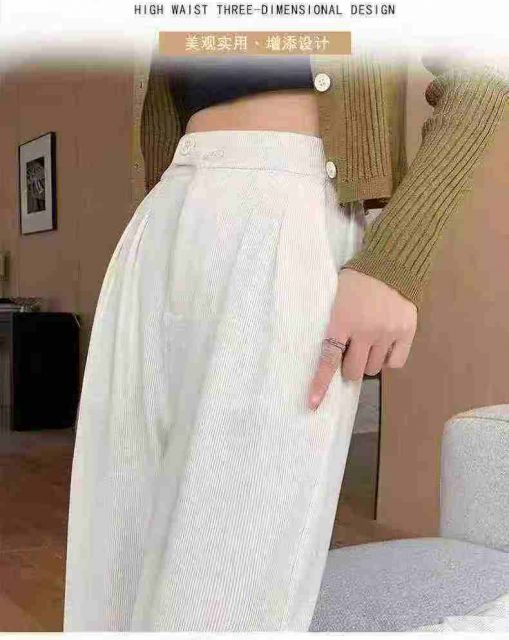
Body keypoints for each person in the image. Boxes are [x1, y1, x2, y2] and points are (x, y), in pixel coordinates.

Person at [63, 47, 509, 631]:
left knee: (225, 593)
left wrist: (396, 262)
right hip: (164, 220)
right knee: (111, 573)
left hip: (287, 215)